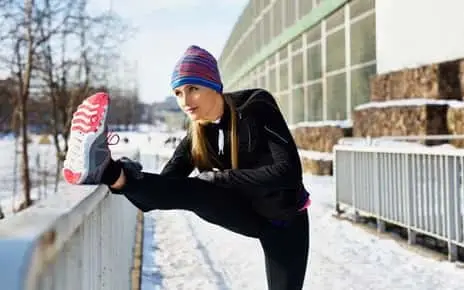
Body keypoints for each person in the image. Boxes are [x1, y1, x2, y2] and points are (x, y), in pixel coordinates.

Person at [63, 45, 311, 290]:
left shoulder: (257, 105)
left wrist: (220, 178)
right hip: (245, 212)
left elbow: (288, 172)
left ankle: (108, 169)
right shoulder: (197, 133)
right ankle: (106, 169)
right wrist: (122, 175)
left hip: (284, 221)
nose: (185, 101)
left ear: (214, 86)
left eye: (193, 89)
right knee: (193, 189)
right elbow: (161, 193)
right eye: (178, 92)